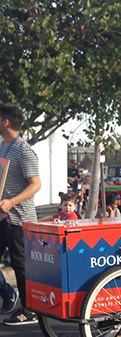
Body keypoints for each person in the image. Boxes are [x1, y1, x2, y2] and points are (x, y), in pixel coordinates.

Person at [0, 103, 41, 325]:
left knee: (20, 264)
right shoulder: (2, 147)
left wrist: (12, 201)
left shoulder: (24, 150)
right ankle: (8, 295)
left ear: (5, 122)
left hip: (18, 218)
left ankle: (30, 310)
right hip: (2, 217)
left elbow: (36, 184)